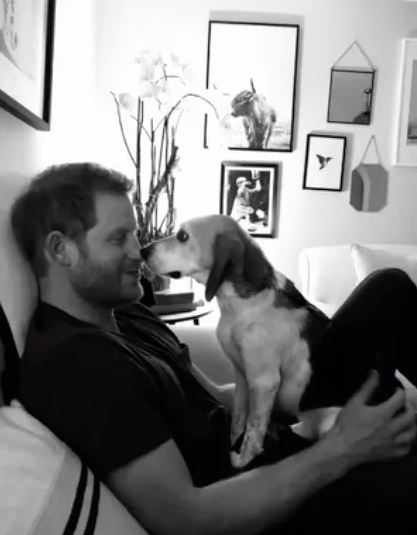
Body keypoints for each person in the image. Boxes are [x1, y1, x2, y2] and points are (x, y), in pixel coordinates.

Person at [10, 162, 417, 535]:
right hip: (287, 492)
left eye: (134, 234)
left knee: (388, 291)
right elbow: (189, 518)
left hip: (290, 441)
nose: (139, 250)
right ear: (61, 250)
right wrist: (342, 448)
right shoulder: (75, 367)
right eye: (119, 239)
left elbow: (213, 396)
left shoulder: (128, 314)